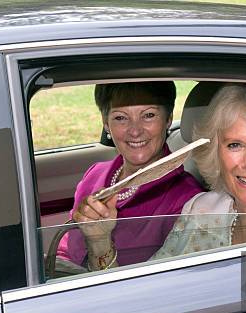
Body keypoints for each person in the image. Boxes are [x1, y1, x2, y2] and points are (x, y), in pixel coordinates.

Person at [81, 83, 246, 268]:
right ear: (216, 152)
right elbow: (144, 299)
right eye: (234, 145)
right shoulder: (200, 212)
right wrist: (99, 240)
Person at [56, 81, 203, 271]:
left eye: (148, 115)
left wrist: (100, 241)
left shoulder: (188, 200)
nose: (135, 130)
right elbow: (66, 248)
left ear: (168, 119)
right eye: (120, 118)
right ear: (105, 123)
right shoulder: (95, 174)